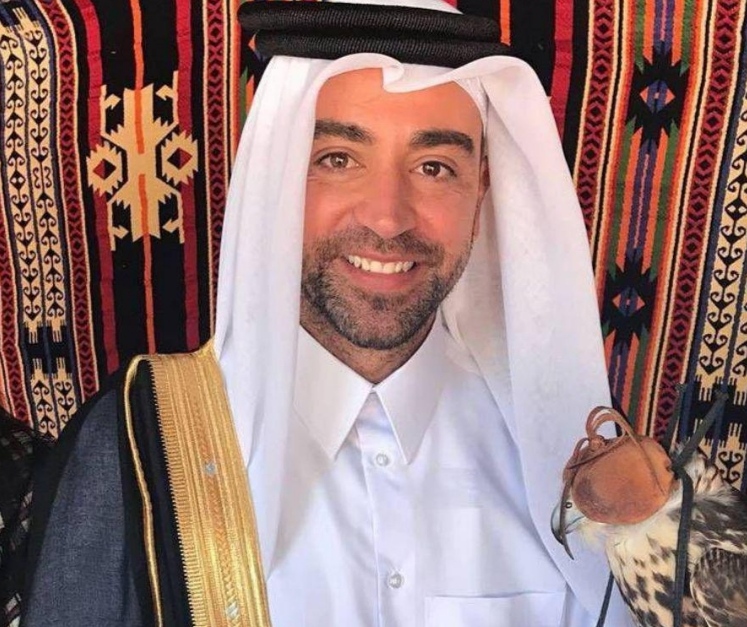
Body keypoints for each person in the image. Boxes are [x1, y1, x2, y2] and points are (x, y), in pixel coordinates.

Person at [22, 1, 633, 625]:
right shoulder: (139, 443)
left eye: (434, 167)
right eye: (338, 160)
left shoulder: (563, 454)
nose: (387, 218)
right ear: (280, 175)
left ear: (481, 190)